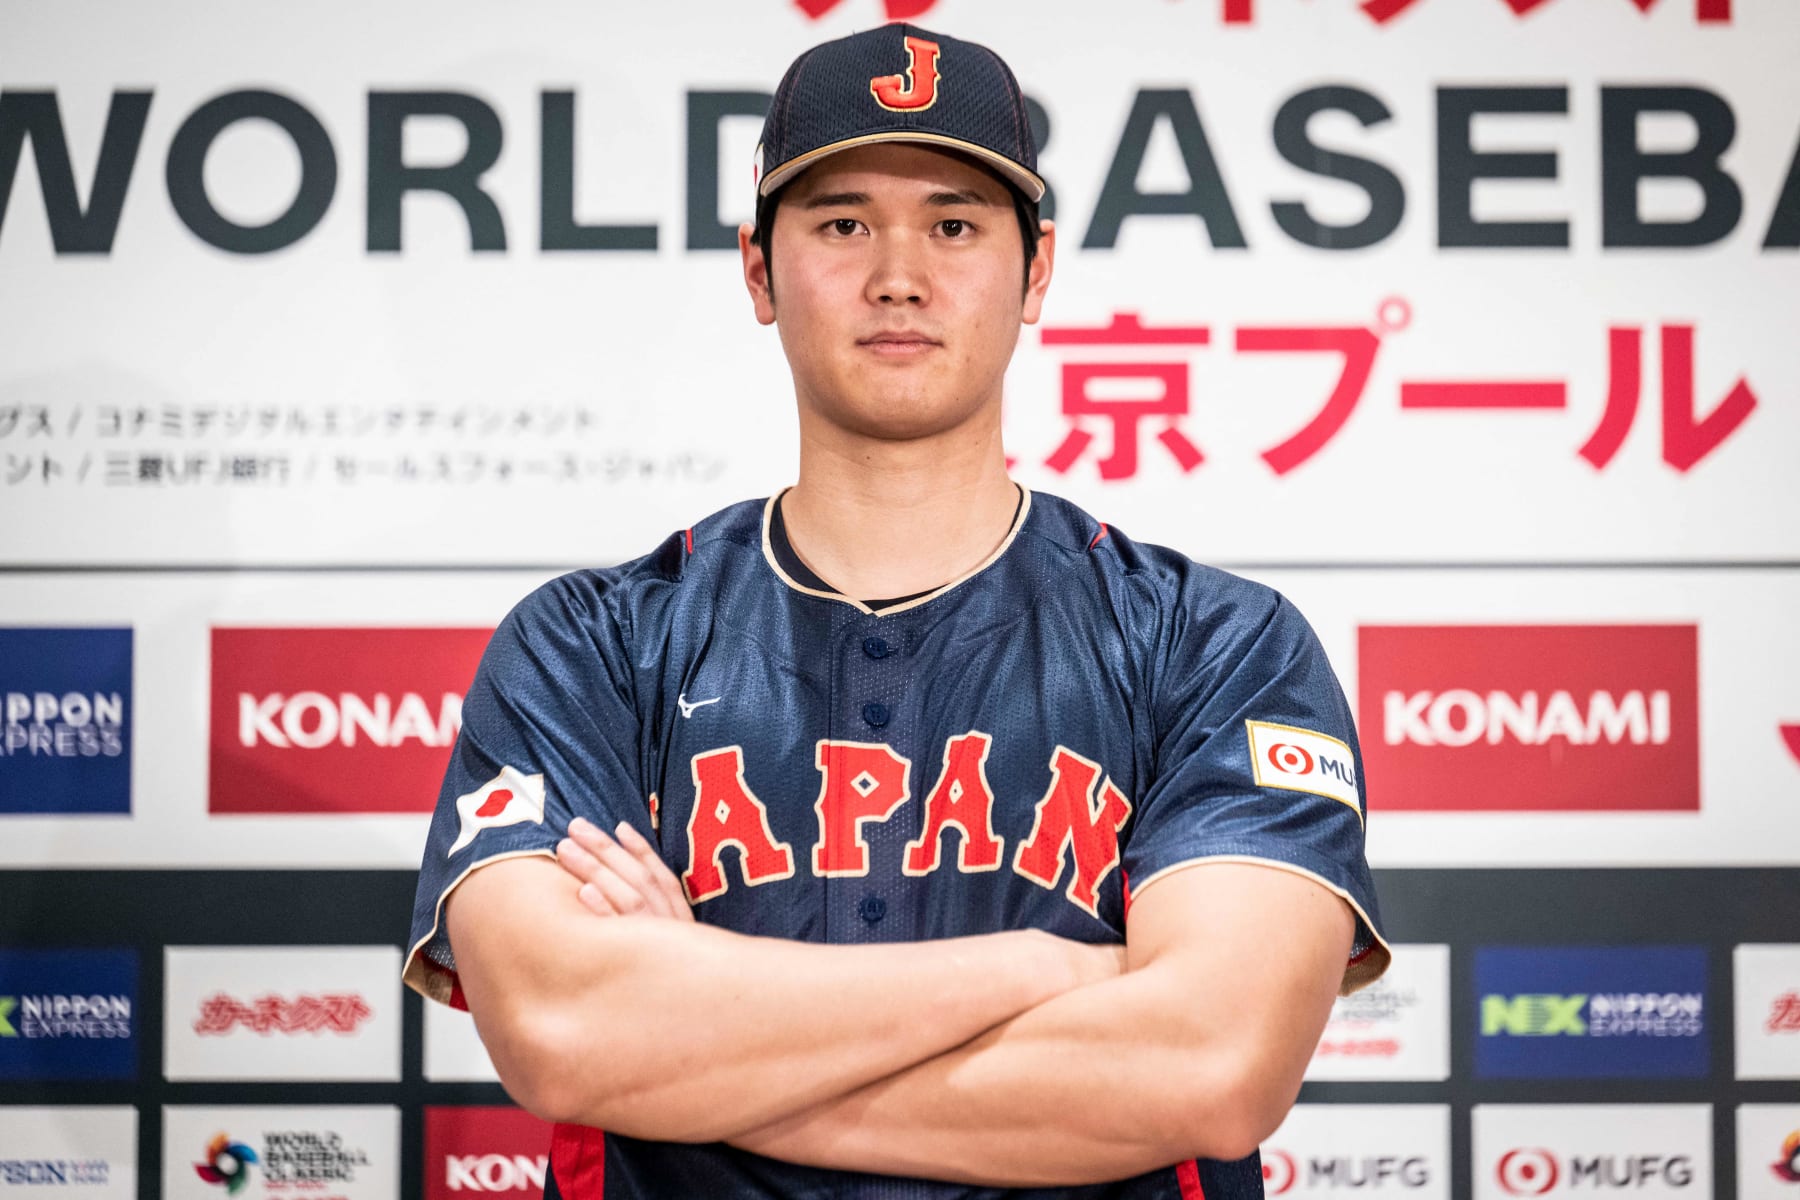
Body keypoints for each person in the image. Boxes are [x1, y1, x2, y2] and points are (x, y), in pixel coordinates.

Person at [404, 22, 1389, 1199]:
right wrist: (1059, 971)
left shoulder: (1214, 644)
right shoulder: (592, 646)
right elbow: (567, 1034)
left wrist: (694, 1041)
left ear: (1037, 273)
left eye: (956, 222)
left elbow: (1212, 1068)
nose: (899, 275)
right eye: (842, 223)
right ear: (760, 272)